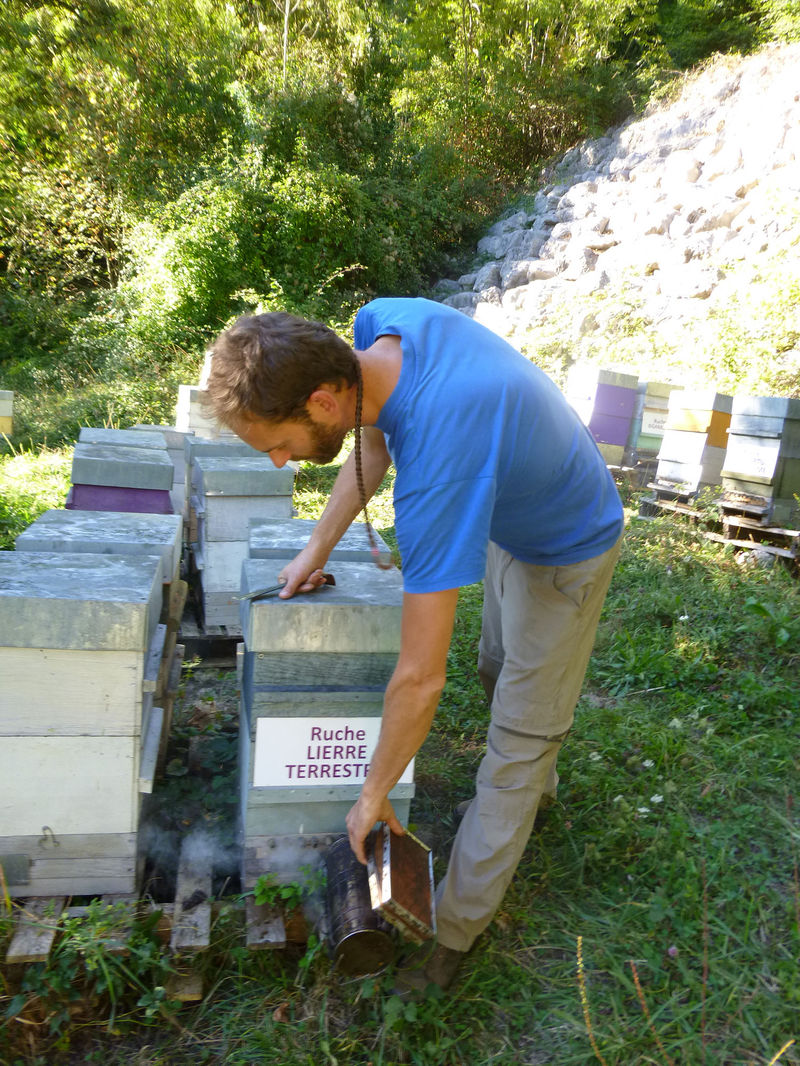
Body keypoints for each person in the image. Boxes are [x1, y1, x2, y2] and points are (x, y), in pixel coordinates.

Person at [206, 297, 624, 993]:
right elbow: (372, 440)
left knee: (520, 739)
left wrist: (372, 793)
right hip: (510, 510)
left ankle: (451, 937)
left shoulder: (439, 470)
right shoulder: (377, 330)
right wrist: (317, 546)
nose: (279, 462)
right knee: (496, 668)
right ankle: (535, 796)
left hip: (568, 546)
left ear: (321, 401)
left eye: (277, 443)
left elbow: (422, 678)